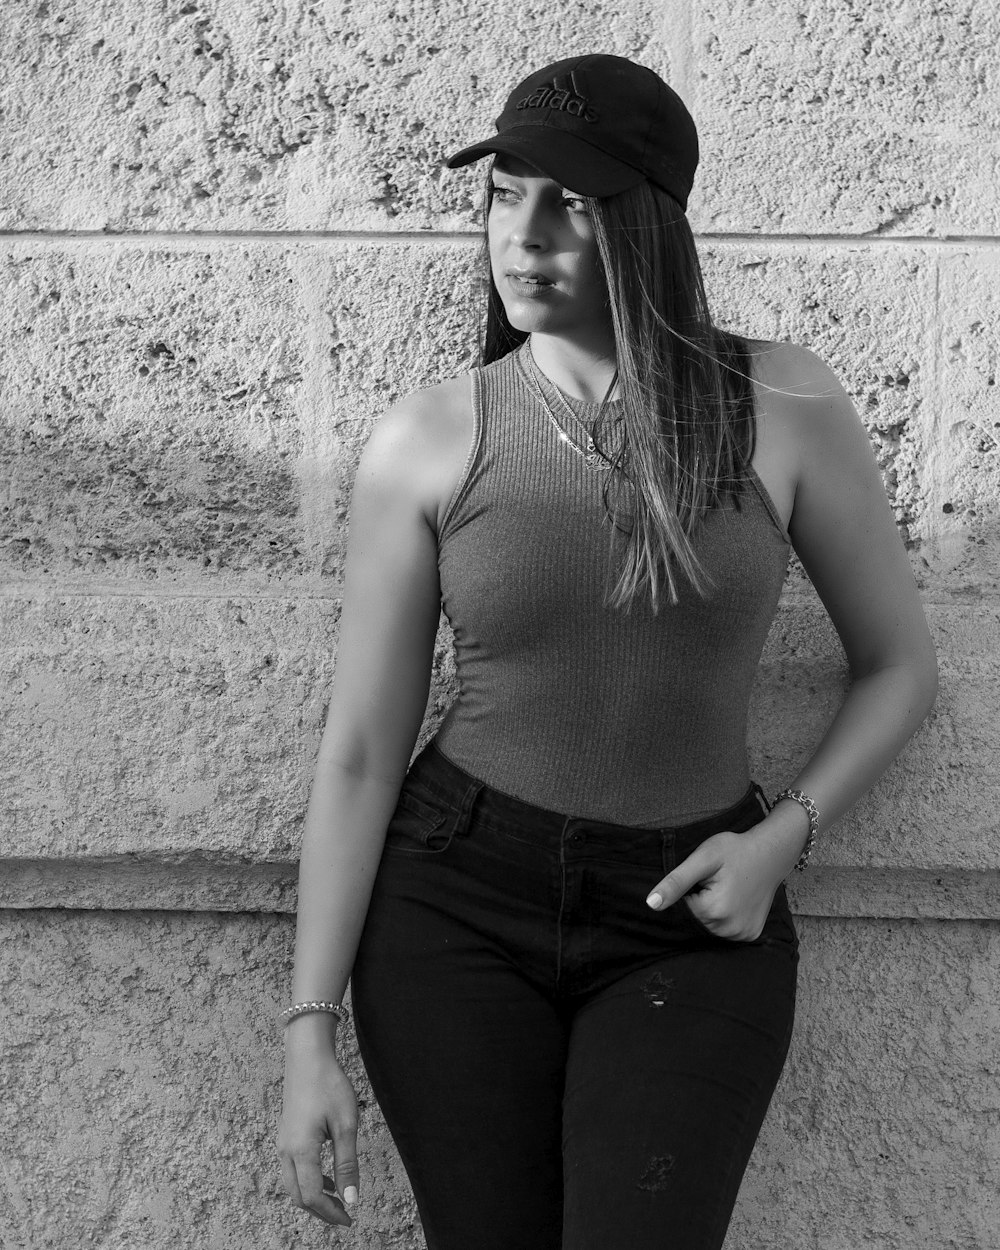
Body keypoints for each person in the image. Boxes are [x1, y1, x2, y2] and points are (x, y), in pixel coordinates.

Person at [276, 53, 938, 1250]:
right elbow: (364, 752)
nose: (521, 236)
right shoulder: (429, 436)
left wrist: (778, 839)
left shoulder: (780, 405)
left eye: (569, 205)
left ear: (646, 224)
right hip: (454, 906)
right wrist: (309, 1034)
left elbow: (899, 667)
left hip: (691, 911)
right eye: (502, 193)